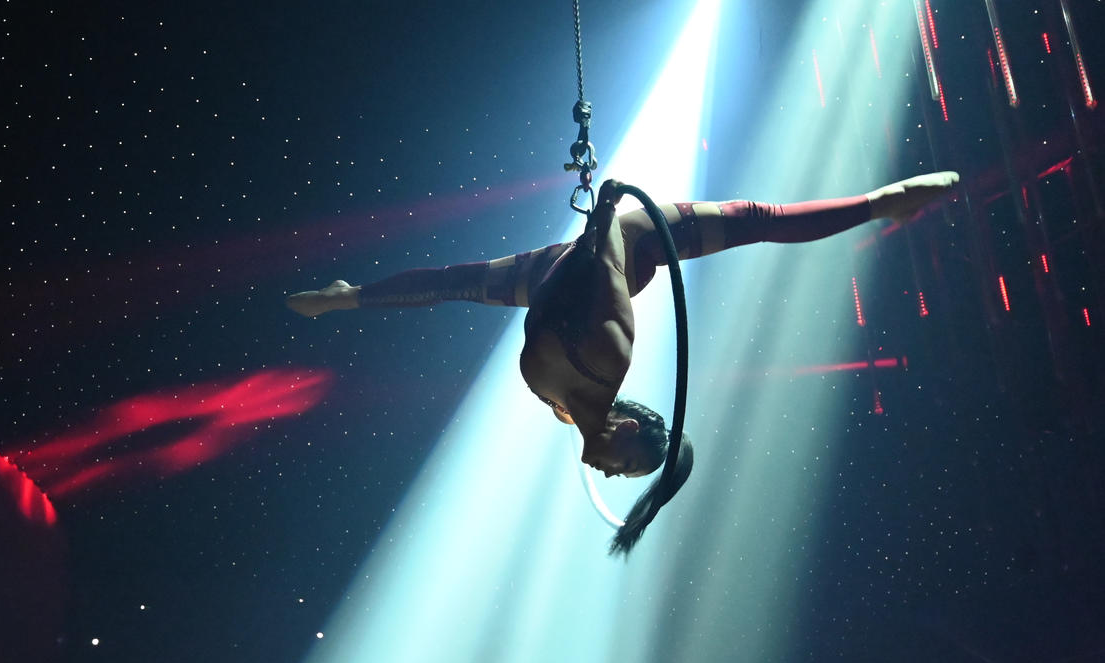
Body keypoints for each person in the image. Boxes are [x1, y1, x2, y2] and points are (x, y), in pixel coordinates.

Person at [287, 171, 959, 551]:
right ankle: (882, 202)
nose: (611, 472)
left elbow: (456, 284)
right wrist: (606, 204)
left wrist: (354, 303)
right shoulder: (607, 357)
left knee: (457, 285)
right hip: (623, 247)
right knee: (754, 220)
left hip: (552, 289)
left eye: (621, 476)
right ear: (630, 429)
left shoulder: (565, 408)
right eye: (627, 464)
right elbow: (605, 250)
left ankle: (349, 295)